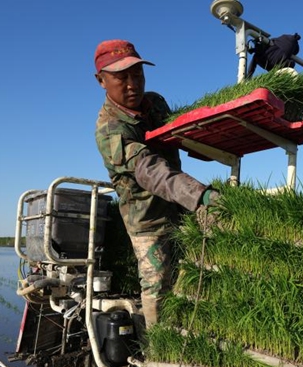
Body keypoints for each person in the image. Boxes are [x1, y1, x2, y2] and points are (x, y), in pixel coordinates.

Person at [93, 39, 220, 329]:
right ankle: (157, 348)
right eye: (121, 77)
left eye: (137, 75)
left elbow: (182, 131)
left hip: (179, 205)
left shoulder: (155, 103)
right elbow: (152, 171)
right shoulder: (111, 130)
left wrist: (216, 142)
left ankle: (191, 330)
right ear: (101, 80)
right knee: (158, 283)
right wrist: (200, 196)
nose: (132, 85)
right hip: (148, 220)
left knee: (196, 271)